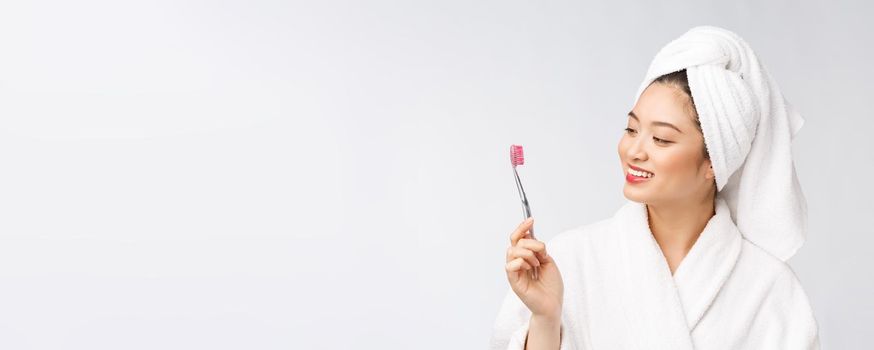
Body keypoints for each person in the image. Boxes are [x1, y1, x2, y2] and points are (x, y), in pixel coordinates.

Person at [489, 26, 820, 350]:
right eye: (631, 129)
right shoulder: (568, 260)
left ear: (713, 163)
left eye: (661, 138)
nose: (634, 151)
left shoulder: (770, 289)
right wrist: (546, 318)